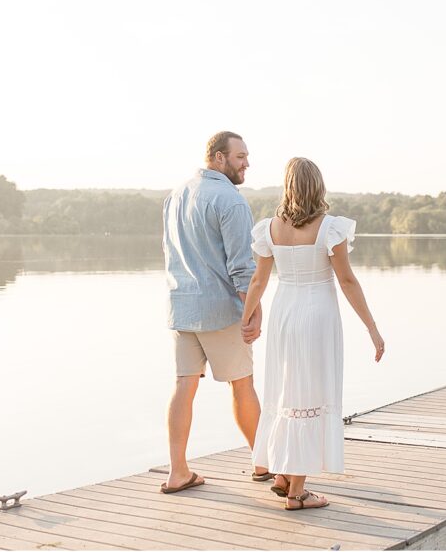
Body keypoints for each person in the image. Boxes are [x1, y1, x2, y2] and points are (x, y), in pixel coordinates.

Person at [242, 157, 385, 510]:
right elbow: (347, 280)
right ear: (317, 186)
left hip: (283, 313)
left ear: (287, 187)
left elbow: (259, 280)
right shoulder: (329, 227)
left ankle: (282, 473)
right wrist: (372, 327)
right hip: (317, 315)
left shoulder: (270, 228)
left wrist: (247, 319)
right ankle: (297, 493)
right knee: (310, 393)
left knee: (284, 392)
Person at [159, 130, 270, 493]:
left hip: (182, 307)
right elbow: (242, 267)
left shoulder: (175, 196)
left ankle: (178, 471)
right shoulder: (231, 200)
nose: (247, 164)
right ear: (219, 158)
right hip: (221, 309)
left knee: (183, 387)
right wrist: (253, 310)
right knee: (243, 385)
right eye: (240, 157)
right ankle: (263, 464)